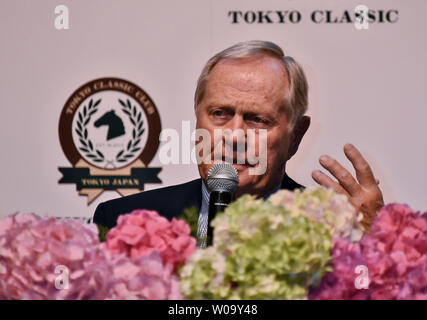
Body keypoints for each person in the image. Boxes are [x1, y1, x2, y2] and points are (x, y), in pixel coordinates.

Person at [93, 40, 384, 233]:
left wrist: (373, 244)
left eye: (257, 119)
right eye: (219, 113)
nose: (233, 136)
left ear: (295, 137)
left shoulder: (336, 228)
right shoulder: (123, 222)